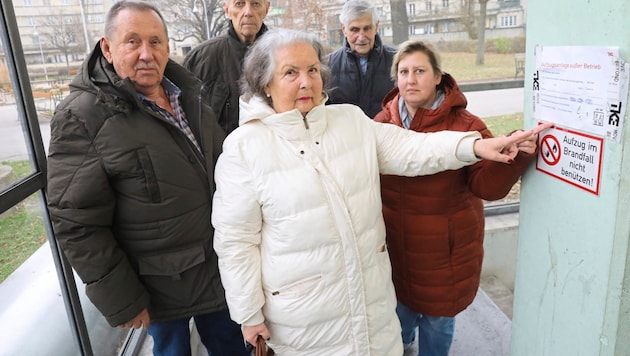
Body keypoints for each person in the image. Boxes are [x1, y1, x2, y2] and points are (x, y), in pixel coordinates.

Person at [211, 28, 550, 355]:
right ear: (265, 83)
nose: (306, 81)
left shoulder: (349, 121)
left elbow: (414, 148)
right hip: (305, 323)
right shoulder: (244, 149)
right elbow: (235, 243)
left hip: (373, 311)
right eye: (290, 72)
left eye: (313, 69)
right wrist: (248, 313)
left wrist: (476, 147)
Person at [45, 2, 249, 355]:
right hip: (157, 287)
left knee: (231, 346)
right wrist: (121, 298)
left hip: (217, 268)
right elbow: (76, 221)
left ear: (168, 48)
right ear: (107, 48)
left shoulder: (188, 95)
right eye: (132, 42)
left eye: (155, 42)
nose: (146, 53)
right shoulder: (82, 117)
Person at [374, 40, 540, 356]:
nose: (410, 79)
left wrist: (515, 158)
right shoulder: (381, 125)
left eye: (420, 70)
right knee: (399, 315)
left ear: (438, 76)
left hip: (443, 257)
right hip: (396, 252)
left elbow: (487, 188)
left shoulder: (467, 126)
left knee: (437, 323)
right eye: (404, 71)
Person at [183, 0, 271, 134]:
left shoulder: (284, 55)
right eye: (239, 4)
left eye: (256, 4)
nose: (248, 12)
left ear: (266, 9)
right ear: (227, 10)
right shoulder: (201, 58)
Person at [326, 0, 397, 118]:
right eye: (354, 30)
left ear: (376, 27)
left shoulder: (398, 62)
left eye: (367, 28)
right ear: (344, 29)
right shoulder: (327, 66)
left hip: (387, 134)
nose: (361, 37)